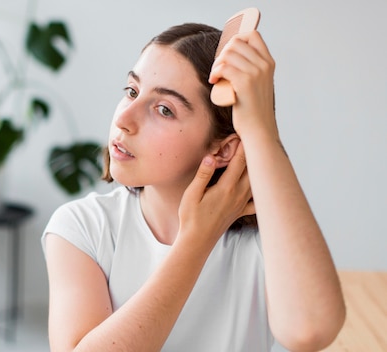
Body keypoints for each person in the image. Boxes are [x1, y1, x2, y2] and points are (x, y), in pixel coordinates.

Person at [42, 22, 345, 351]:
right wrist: (197, 240)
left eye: (164, 110)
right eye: (132, 91)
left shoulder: (263, 246)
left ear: (222, 149)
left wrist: (261, 130)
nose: (124, 118)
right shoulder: (83, 228)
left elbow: (310, 330)